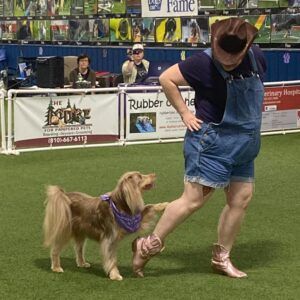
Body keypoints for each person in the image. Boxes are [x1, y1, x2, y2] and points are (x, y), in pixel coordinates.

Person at [132, 17, 267, 278]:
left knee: (241, 199)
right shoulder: (201, 62)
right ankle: (147, 246)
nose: (228, 60)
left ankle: (222, 258)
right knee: (193, 200)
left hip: (245, 143)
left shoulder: (257, 58)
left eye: (234, 56)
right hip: (211, 142)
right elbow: (166, 79)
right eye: (223, 55)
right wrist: (184, 113)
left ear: (246, 48)